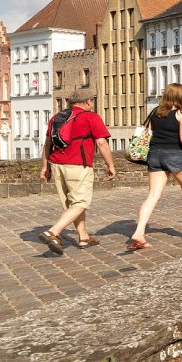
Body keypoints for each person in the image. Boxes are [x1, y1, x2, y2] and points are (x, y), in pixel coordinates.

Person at [128, 83, 182, 250]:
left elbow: (147, 134)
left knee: (153, 195)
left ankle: (139, 231)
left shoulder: (155, 112)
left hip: (155, 155)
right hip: (175, 155)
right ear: (179, 96)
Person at [38, 89, 117, 254]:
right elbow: (101, 143)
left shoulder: (56, 118)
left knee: (73, 204)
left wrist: (45, 168)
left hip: (57, 165)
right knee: (81, 202)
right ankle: (53, 232)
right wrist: (110, 165)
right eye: (92, 100)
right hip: (78, 165)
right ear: (88, 101)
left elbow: (48, 144)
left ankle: (83, 237)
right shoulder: (91, 117)